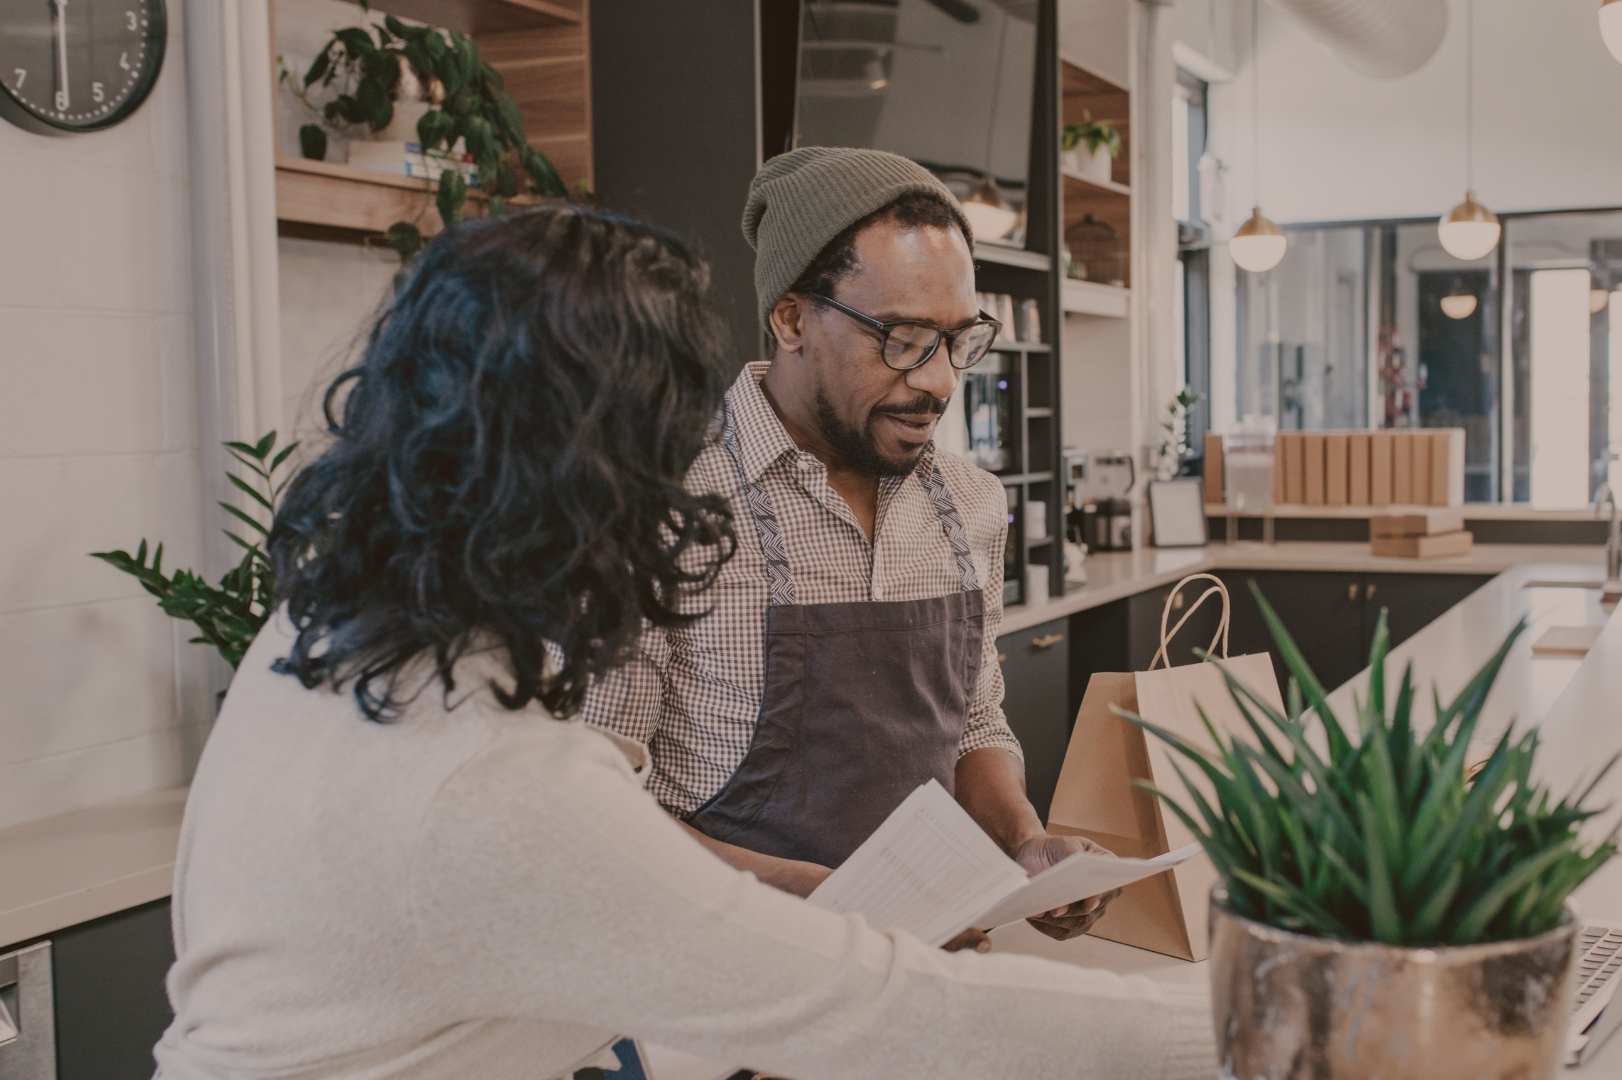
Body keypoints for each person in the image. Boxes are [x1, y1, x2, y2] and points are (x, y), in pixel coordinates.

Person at [150, 206, 1213, 1080]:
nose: (683, 491)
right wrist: (1238, 1027)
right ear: (590, 473)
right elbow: (868, 1007)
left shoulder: (327, 639)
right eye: (658, 449)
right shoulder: (494, 782)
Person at [579, 148, 1112, 940]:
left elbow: (973, 723)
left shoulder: (969, 503)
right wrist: (811, 902)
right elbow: (590, 797)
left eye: (958, 340)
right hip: (723, 985)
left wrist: (1022, 845)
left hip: (919, 976)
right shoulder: (659, 503)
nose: (937, 381)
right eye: (901, 338)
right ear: (792, 319)